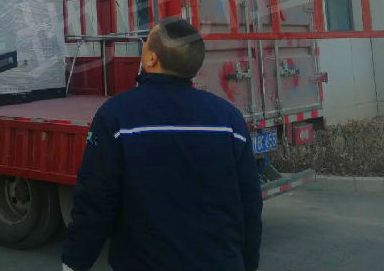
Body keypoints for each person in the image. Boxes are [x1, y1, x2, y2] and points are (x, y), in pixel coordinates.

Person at [61, 17, 263, 271]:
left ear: (151, 59)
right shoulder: (229, 119)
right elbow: (250, 202)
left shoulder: (117, 116)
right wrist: (248, 261)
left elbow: (96, 202)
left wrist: (74, 262)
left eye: (146, 42)